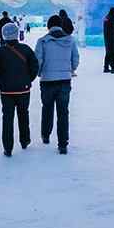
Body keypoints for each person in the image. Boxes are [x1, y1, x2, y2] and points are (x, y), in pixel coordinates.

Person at [0, 22, 39, 157]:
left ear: (4, 35)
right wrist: (28, 80)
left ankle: (8, 147)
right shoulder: (26, 49)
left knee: (7, 118)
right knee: (23, 115)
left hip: (6, 91)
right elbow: (35, 66)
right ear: (16, 34)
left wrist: (0, 81)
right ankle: (25, 140)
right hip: (24, 90)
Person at [35, 14, 80, 154]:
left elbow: (38, 61)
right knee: (63, 112)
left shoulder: (42, 41)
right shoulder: (70, 40)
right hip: (65, 81)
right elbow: (75, 58)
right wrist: (70, 69)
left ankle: (46, 135)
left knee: (47, 109)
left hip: (47, 81)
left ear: (48, 26)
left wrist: (40, 73)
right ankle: (63, 144)